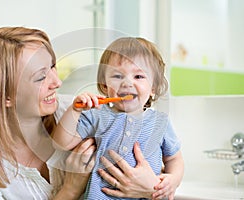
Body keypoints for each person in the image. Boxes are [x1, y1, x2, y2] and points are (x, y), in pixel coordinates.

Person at [0, 27, 164, 200]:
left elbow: (152, 162)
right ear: (6, 96)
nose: (57, 82)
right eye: (41, 77)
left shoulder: (81, 112)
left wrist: (152, 189)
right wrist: (71, 189)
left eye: (52, 66)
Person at [52, 37, 184, 199]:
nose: (127, 83)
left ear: (153, 88)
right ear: (105, 86)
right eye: (117, 76)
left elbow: (174, 159)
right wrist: (74, 110)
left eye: (138, 77)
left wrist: (173, 180)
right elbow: (61, 143)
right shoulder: (97, 114)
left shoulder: (160, 122)